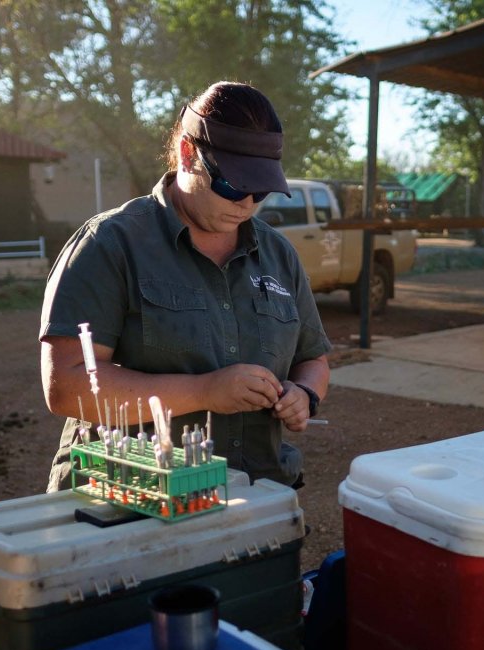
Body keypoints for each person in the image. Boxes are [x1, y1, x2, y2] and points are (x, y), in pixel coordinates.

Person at [40, 81, 331, 491]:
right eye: (233, 185)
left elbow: (313, 358)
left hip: (254, 494)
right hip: (128, 498)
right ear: (187, 153)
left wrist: (303, 393)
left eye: (261, 188)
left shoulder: (278, 254)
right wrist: (204, 391)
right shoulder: (110, 245)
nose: (247, 202)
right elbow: (67, 386)